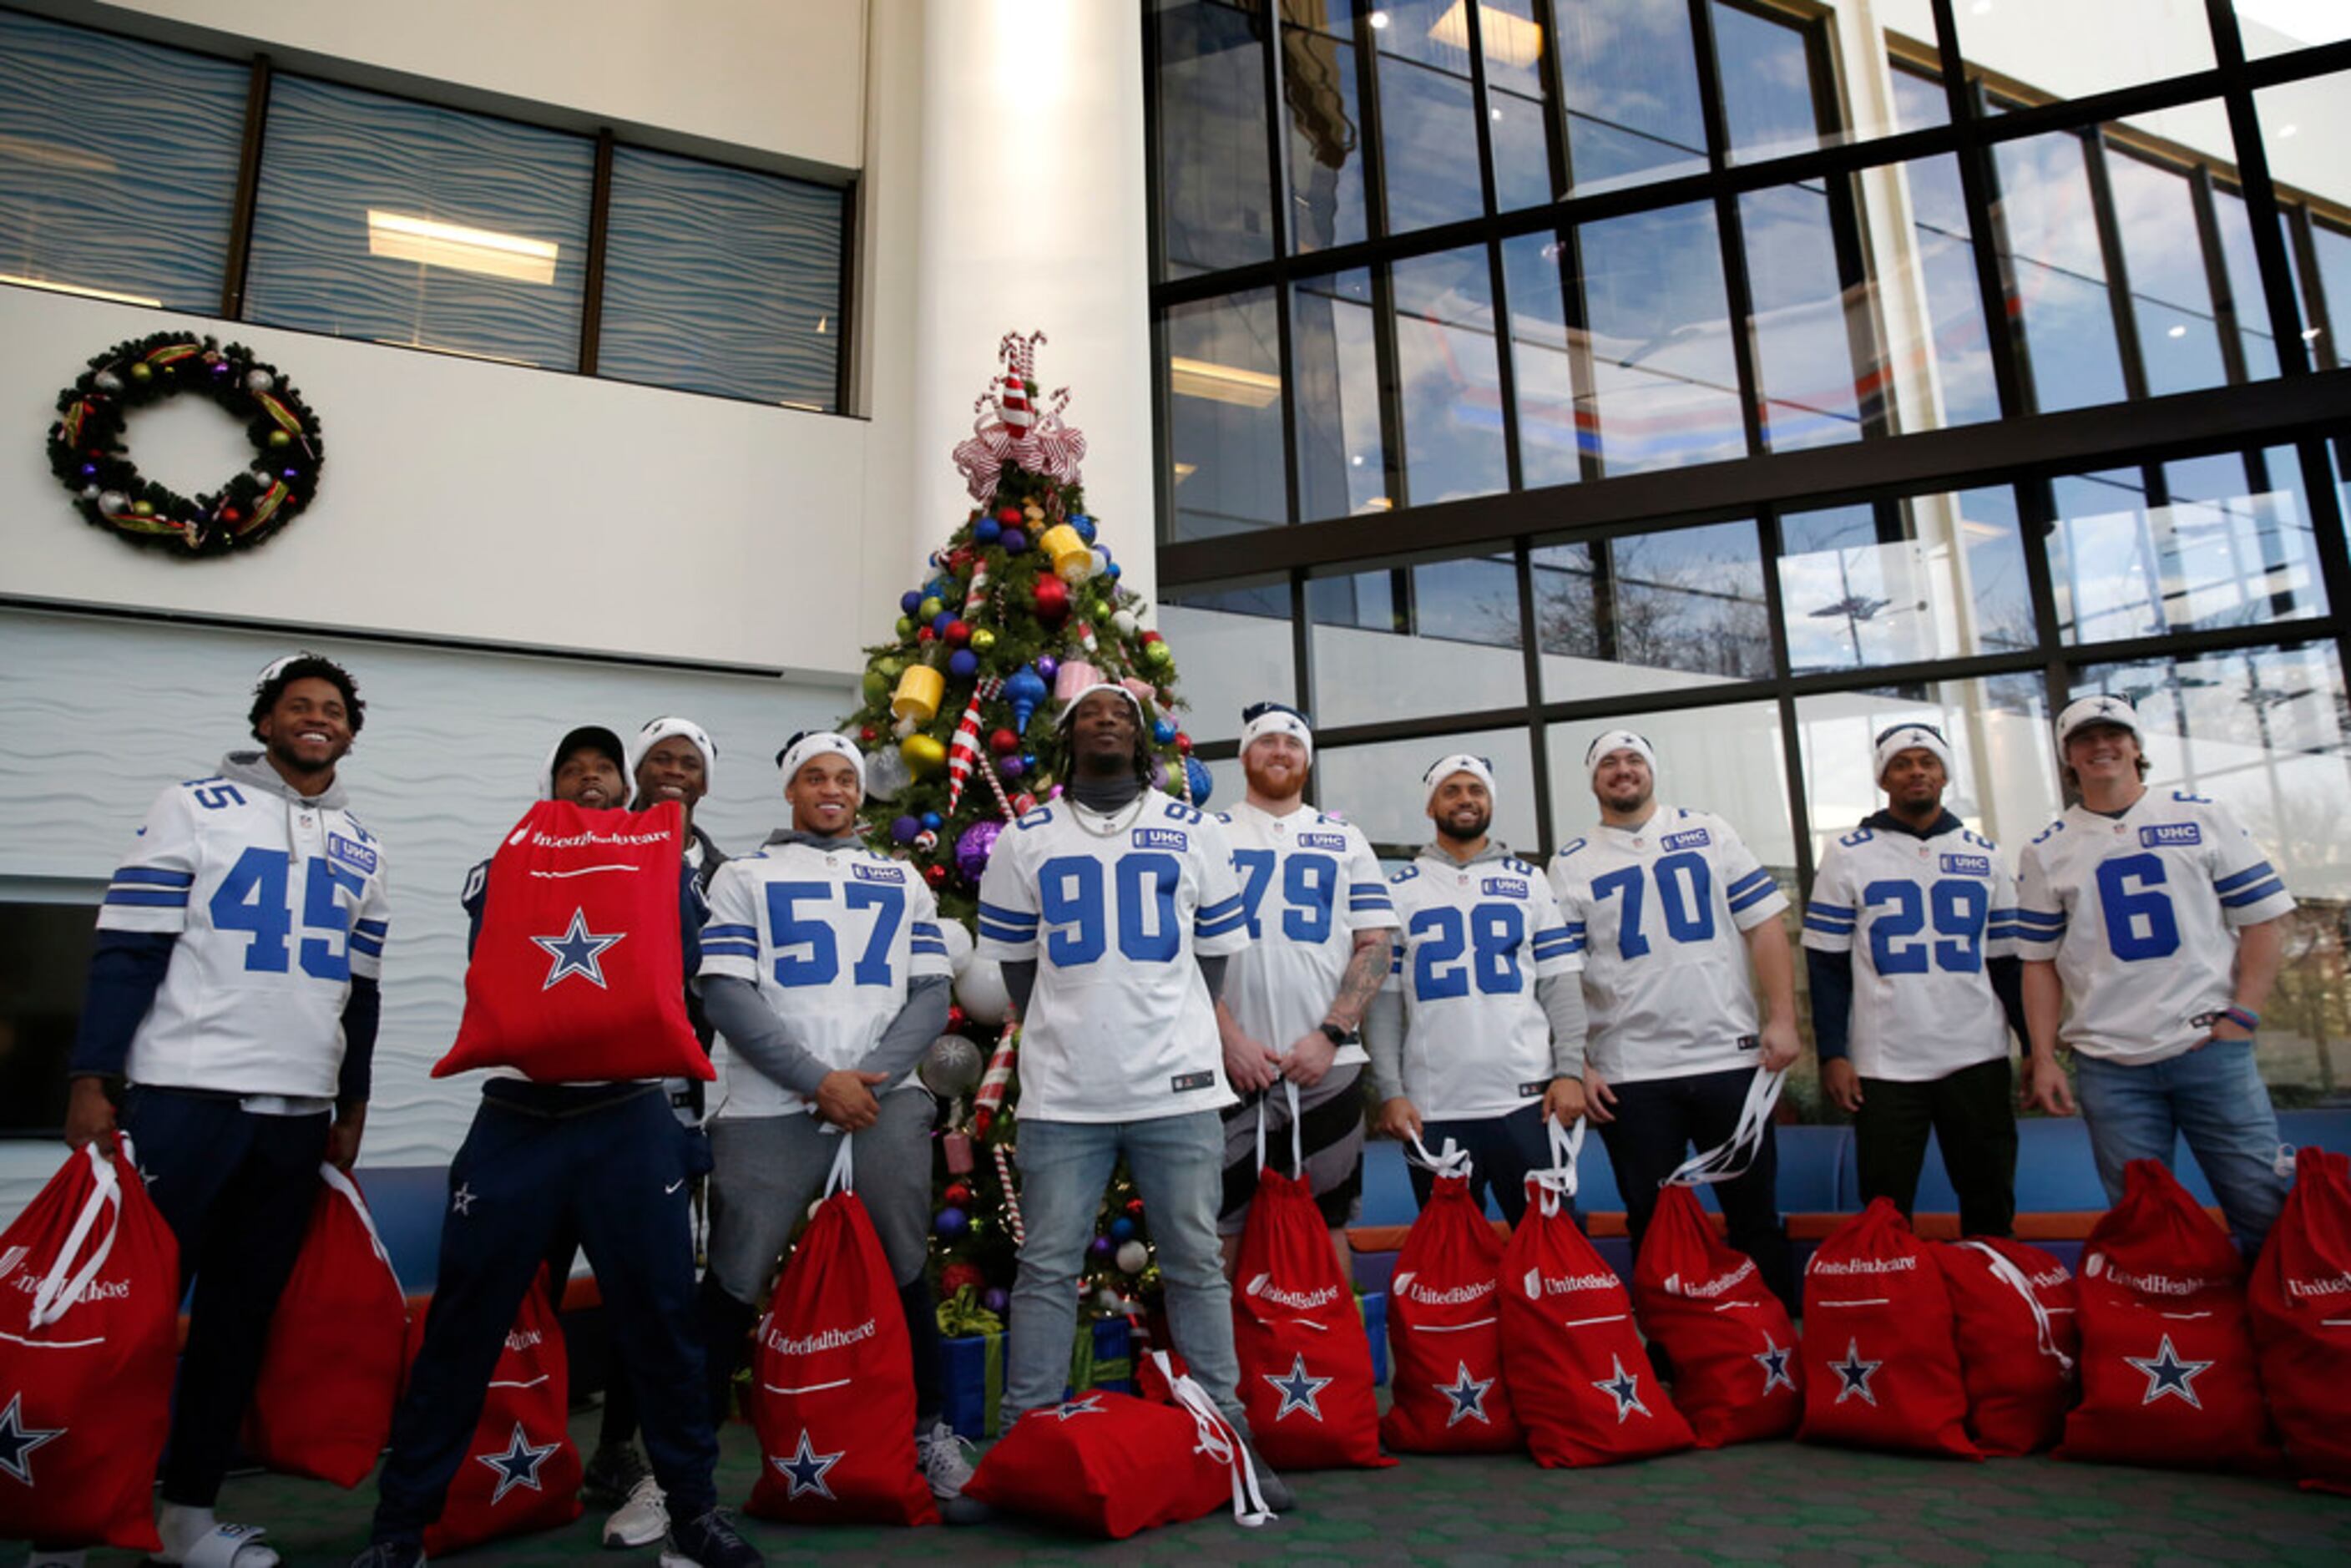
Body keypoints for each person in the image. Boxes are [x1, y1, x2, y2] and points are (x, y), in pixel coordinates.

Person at [353, 726, 757, 1568]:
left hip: (630, 1119)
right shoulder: (510, 858)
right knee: (465, 1327)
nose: (588, 781)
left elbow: (688, 966)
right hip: (521, 1118)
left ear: (627, 790)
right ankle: (402, 1526)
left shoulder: (672, 864)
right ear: (550, 788)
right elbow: (493, 965)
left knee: (663, 1329)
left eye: (602, 771)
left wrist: (664, 869)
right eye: (571, 771)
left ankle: (692, 1510)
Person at [58, 653, 387, 1568]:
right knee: (122, 1323)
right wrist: (92, 1078)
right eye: (297, 706)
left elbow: (360, 995)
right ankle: (72, 1517)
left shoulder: (364, 842)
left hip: (293, 1116)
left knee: (237, 1326)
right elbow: (127, 949)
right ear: (264, 722)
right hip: (184, 1099)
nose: (316, 719)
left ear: (351, 732)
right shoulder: (188, 806)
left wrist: (351, 1100)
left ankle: (186, 1517)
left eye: (332, 710)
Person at [974, 683, 1292, 1510]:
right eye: (1088, 713)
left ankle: (1228, 1439)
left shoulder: (1196, 830)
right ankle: (1024, 1444)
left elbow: (1213, 955)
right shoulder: (1024, 835)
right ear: (1067, 736)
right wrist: (1079, 1025)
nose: (1105, 720)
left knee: (1192, 1260)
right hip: (1062, 1087)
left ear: (1144, 738)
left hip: (1176, 1083)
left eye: (1120, 712)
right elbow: (1016, 970)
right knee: (1045, 1266)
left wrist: (1165, 1022)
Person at [690, 730, 983, 1523]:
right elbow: (726, 994)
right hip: (767, 1110)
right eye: (814, 777)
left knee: (905, 1271)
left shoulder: (900, 878)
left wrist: (867, 1082)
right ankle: (678, 1469)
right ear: (789, 790)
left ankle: (927, 1433)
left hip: (880, 1106)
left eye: (844, 779)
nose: (830, 790)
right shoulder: (743, 877)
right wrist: (818, 1081)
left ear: (861, 793)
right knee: (732, 1284)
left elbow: (930, 993)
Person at [2016, 694, 2296, 1252]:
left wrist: (2243, 1015)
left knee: (2263, 1205)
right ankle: (2169, 1337)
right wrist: (2043, 1057)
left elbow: (2267, 921)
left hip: (2208, 1048)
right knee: (2142, 1225)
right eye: (2084, 740)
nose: (2101, 746)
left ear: (2137, 746)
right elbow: (2038, 963)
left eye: (2112, 734)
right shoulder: (2046, 849)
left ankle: (2283, 1332)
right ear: (2068, 758)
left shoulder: (2201, 816)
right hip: (2110, 1064)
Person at [1548, 731, 1798, 1308]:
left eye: (1634, 759)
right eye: (1608, 762)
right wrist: (1576, 1062)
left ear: (1651, 770)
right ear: (1593, 780)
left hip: (1728, 1057)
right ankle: (1670, 1362)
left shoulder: (1710, 831)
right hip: (1630, 1072)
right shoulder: (1571, 861)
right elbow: (1560, 973)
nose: (1622, 770)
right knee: (1653, 1222)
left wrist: (1783, 1018)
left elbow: (1764, 925)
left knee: (1754, 1215)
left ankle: (1777, 1350)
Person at [571, 716, 727, 1547]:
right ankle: (581, 1447)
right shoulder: (598, 837)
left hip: (672, 1096)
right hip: (581, 1090)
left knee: (660, 1278)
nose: (673, 772)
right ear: (636, 769)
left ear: (706, 779)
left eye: (689, 762)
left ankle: (622, 1451)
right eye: (660, 759)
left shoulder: (723, 870)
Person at [1802, 721, 2028, 1237]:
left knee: (1990, 1196)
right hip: (1886, 1061)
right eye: (1901, 764)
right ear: (1884, 778)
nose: (1916, 772)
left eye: (1927, 761)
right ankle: (1895, 1305)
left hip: (1976, 1052)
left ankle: (1995, 1300)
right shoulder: (1848, 853)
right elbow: (1827, 964)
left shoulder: (1986, 853)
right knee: (1884, 1204)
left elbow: (2007, 963)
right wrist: (1833, 1053)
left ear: (1945, 773)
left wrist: (2034, 1046)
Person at [1214, 702, 1398, 1277]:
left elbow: (1376, 945)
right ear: (1245, 755)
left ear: (1308, 761)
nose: (1280, 752)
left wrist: (1330, 1036)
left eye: (1292, 745)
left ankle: (1336, 1363)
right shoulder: (1209, 834)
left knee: (1331, 1222)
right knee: (1222, 1225)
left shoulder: (1343, 838)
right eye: (1266, 742)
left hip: (1329, 1066)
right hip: (1227, 1064)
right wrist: (1229, 1040)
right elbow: (1179, 952)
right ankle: (1225, 1368)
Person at [1368, 754, 1587, 1225]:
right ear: (1430, 807)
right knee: (1452, 1260)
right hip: (1435, 1105)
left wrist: (1569, 1070)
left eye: (1476, 790)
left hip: (1528, 1101)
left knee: (1552, 1245)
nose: (1466, 799)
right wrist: (1391, 1090)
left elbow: (1559, 983)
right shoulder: (1399, 889)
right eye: (1452, 790)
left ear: (1490, 802)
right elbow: (1383, 1003)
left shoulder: (1530, 881)